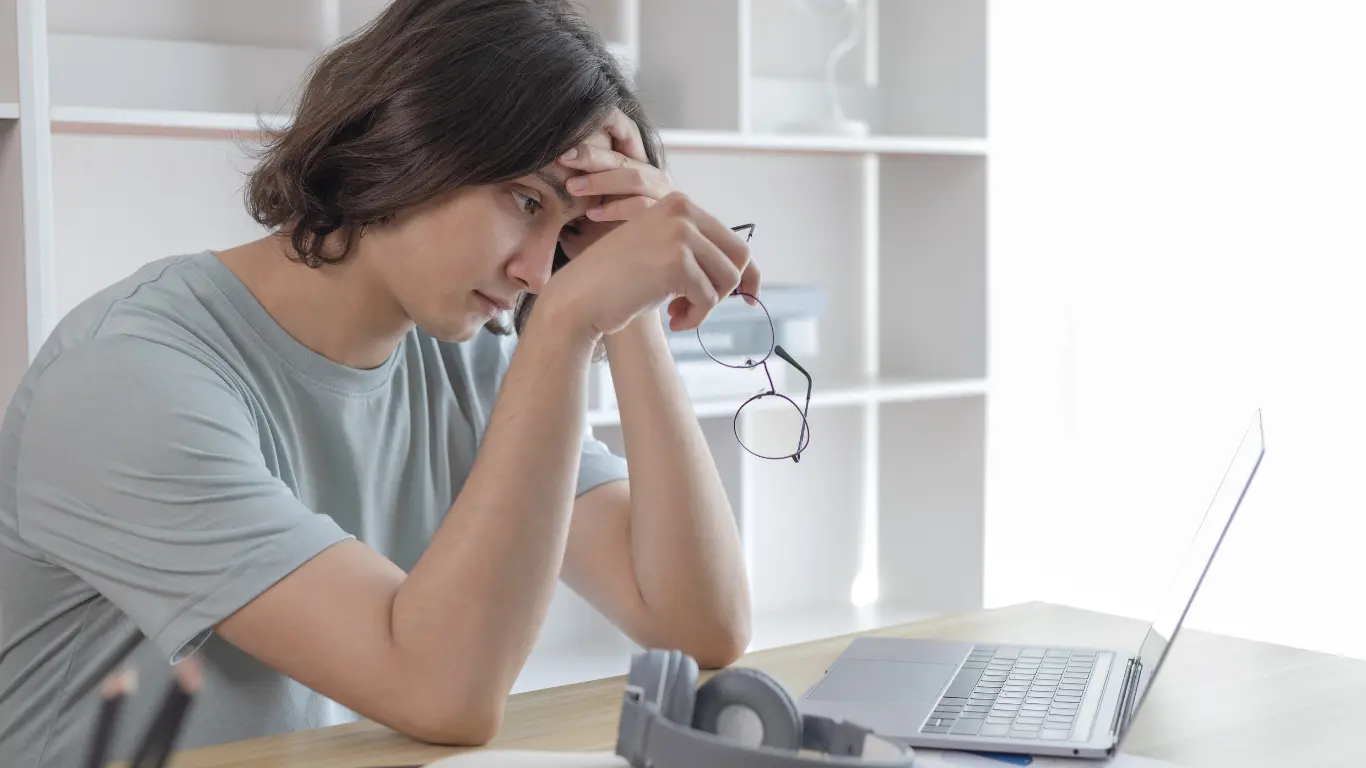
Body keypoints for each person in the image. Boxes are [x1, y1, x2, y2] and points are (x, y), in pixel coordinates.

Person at [0, 1, 759, 765]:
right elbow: (443, 693)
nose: (538, 272)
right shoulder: (128, 382)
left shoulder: (462, 361)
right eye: (526, 201)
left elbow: (698, 624)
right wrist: (567, 322)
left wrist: (625, 304)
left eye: (567, 231)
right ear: (413, 135)